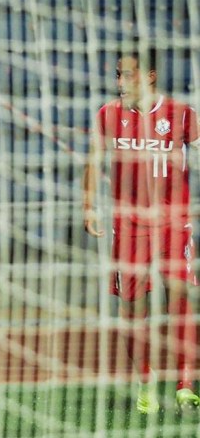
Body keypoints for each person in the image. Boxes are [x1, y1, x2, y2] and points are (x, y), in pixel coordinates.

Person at [83, 47, 200, 414]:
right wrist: (89, 205)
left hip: (173, 224)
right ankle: (145, 384)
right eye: (118, 74)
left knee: (182, 300)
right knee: (133, 310)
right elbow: (94, 159)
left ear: (149, 76)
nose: (120, 83)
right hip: (129, 227)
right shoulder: (108, 114)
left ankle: (185, 384)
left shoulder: (180, 114)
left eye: (127, 74)